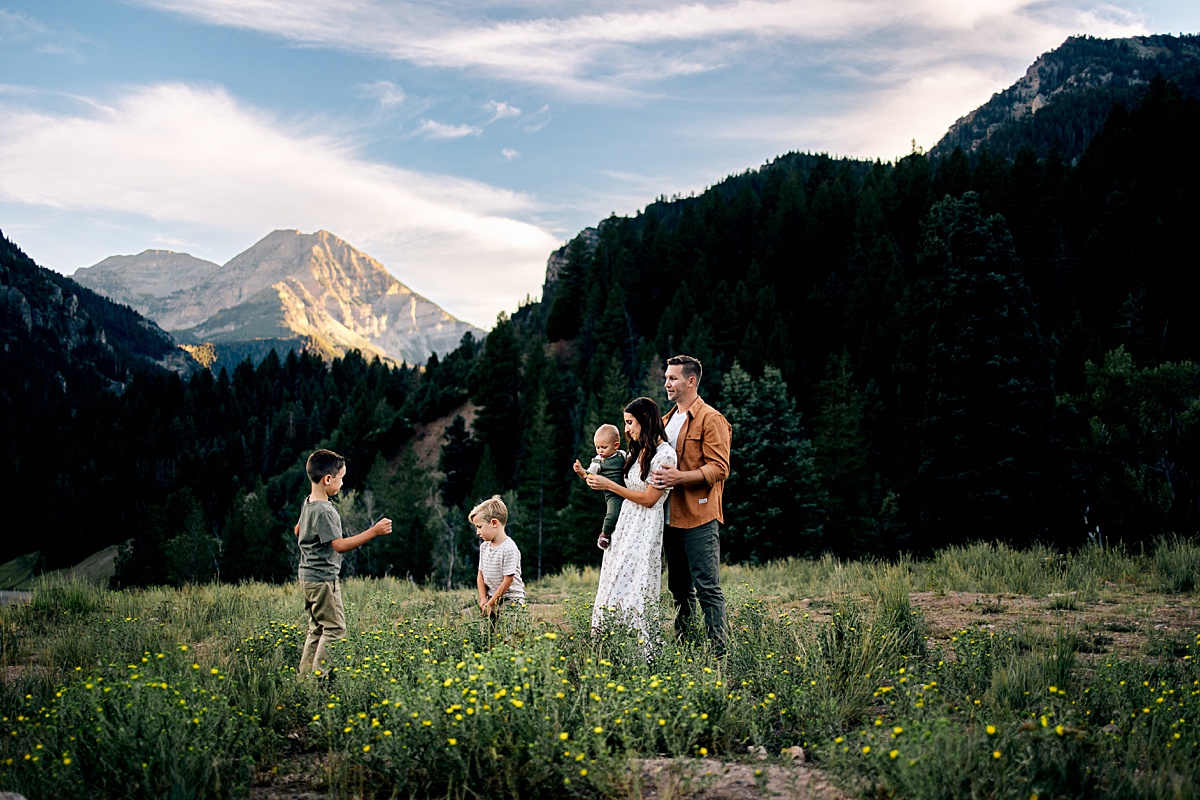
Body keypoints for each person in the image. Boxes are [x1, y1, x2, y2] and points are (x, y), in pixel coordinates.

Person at [650, 355, 732, 655]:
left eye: (672, 378)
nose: (667, 383)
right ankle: (685, 648)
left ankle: (719, 654)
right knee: (679, 591)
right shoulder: (666, 421)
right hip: (668, 518)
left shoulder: (712, 419)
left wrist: (680, 477)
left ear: (691, 381)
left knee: (708, 589)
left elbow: (720, 468)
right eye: (667, 378)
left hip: (699, 517)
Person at [585, 397, 677, 644]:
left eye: (630, 422)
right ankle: (607, 646)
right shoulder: (638, 451)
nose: (626, 429)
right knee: (612, 585)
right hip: (624, 526)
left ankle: (636, 650)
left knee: (634, 589)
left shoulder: (664, 455)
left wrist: (610, 485)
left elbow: (650, 499)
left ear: (645, 420)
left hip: (644, 527)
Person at [297, 448, 392, 676]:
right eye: (341, 479)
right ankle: (316, 683)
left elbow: (298, 529)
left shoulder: (308, 502)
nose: (342, 484)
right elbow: (339, 546)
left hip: (307, 578)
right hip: (323, 581)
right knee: (335, 629)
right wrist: (373, 531)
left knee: (317, 629)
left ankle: (303, 678)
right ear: (328, 479)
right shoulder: (325, 511)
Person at [472, 495, 525, 629]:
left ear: (494, 523)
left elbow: (508, 580)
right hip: (491, 597)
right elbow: (480, 574)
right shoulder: (484, 547)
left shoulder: (509, 548)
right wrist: (484, 598)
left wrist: (491, 603)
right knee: (488, 634)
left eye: (479, 527)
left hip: (510, 600)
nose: (477, 532)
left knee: (509, 633)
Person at [572, 423, 627, 549]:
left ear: (616, 445)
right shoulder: (598, 461)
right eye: (597, 447)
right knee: (613, 513)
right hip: (612, 494)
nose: (600, 451)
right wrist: (581, 471)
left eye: (604, 447)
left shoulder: (622, 455)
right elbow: (589, 476)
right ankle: (605, 534)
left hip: (627, 488)